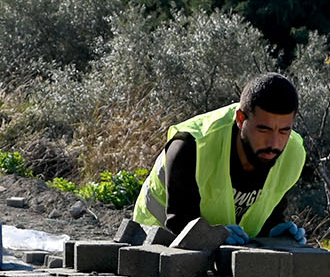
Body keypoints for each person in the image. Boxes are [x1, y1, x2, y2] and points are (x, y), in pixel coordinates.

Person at [129, 72, 310, 245]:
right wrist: (213, 236)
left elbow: (268, 215)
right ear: (240, 119)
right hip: (153, 240)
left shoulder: (292, 154)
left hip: (225, 252)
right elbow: (179, 224)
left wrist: (275, 234)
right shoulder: (191, 145)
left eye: (284, 130)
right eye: (264, 129)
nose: (274, 143)